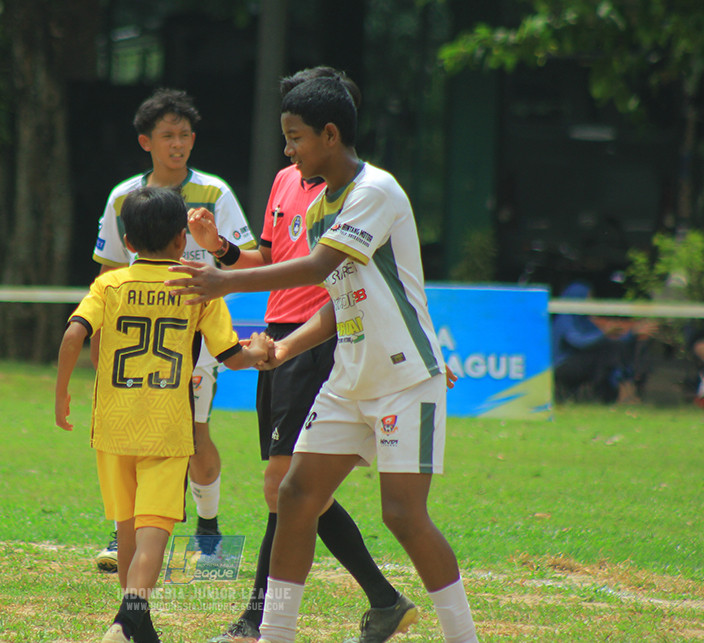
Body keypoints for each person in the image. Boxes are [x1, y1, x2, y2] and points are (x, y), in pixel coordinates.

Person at [166, 74, 479, 643]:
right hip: (348, 378)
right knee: (294, 494)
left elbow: (315, 269)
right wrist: (287, 346)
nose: (288, 151)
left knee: (402, 515)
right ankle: (274, 634)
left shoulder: (375, 191)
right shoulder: (319, 209)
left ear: (330, 135)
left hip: (402, 380)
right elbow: (338, 299)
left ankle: (463, 637)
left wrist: (222, 281)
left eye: (295, 138)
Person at [56, 186, 271, 643]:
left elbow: (74, 335)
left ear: (128, 242)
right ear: (181, 240)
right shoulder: (199, 286)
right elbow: (232, 357)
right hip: (168, 426)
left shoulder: (109, 285)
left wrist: (61, 397)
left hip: (112, 425)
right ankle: (128, 618)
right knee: (154, 531)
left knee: (127, 529)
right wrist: (260, 351)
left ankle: (139, 627)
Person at [91, 87, 256, 570]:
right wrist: (102, 347)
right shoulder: (123, 197)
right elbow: (108, 274)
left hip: (194, 339)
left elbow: (249, 260)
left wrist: (216, 246)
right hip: (137, 342)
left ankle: (208, 530)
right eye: (167, 135)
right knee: (129, 434)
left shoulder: (215, 193)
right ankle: (124, 531)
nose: (177, 144)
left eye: (184, 134)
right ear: (146, 142)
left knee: (195, 435)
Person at [552, 280, 656, 404]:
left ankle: (616, 393)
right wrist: (604, 333)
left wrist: (632, 333)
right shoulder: (564, 319)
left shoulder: (585, 320)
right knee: (605, 354)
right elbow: (579, 342)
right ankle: (619, 392)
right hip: (561, 366)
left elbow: (606, 340)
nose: (590, 303)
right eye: (587, 299)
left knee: (612, 349)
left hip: (581, 361)